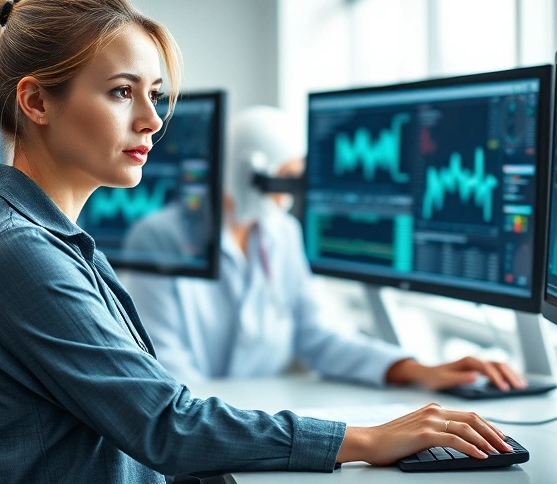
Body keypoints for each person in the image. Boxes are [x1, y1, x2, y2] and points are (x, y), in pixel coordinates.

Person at [0, 0, 513, 484]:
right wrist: (362, 439)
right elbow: (165, 426)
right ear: (35, 101)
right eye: (122, 92)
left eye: (154, 95)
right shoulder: (17, 252)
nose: (152, 120)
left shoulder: (43, 240)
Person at [124, 105, 528, 391]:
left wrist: (418, 369)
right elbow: (169, 373)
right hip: (203, 433)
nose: (289, 191)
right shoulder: (159, 237)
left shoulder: (281, 233)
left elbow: (316, 336)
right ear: (250, 172)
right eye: (285, 176)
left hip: (253, 417)